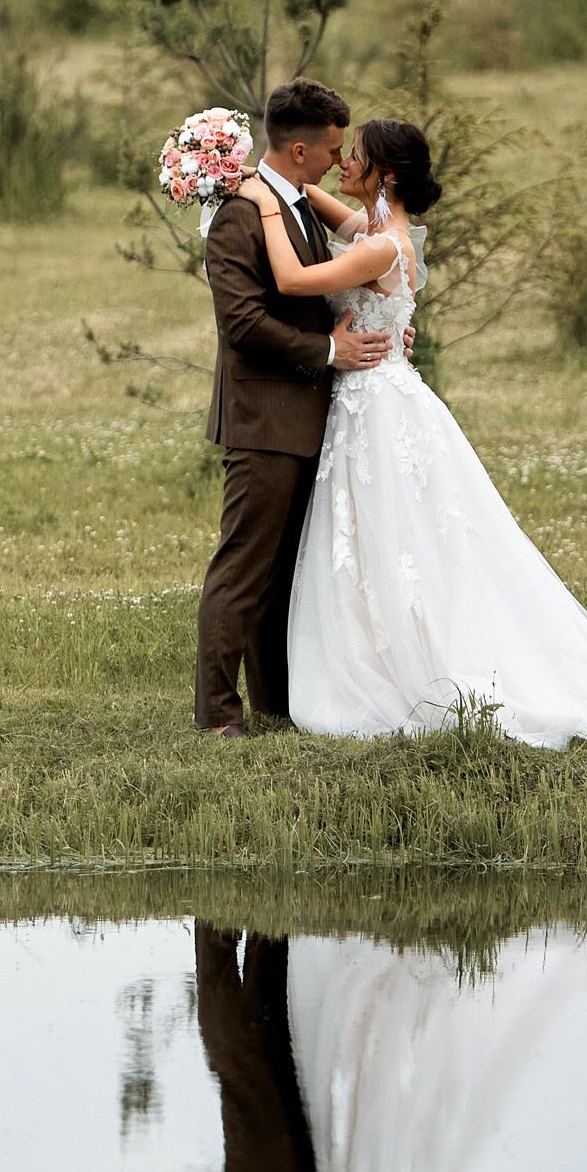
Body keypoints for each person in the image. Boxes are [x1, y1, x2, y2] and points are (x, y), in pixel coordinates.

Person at [238, 117, 587, 758]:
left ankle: (417, 661)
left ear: (385, 174)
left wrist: (260, 206)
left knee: (400, 536)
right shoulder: (371, 229)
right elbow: (314, 197)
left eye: (356, 157)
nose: (343, 163)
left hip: (379, 409)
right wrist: (258, 173)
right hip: (371, 399)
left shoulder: (382, 247)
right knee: (378, 537)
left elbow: (288, 280)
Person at [194, 79, 394, 740]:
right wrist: (329, 349)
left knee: (282, 575)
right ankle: (219, 716)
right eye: (334, 148)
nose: (342, 159)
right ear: (301, 148)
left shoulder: (295, 202)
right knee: (244, 569)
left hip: (308, 418)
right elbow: (243, 322)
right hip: (264, 420)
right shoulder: (240, 216)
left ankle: (275, 704)